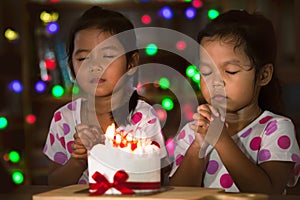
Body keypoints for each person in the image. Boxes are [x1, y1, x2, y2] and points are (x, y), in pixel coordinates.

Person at [169, 10, 300, 194]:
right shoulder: (191, 133)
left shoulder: (275, 129)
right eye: (206, 72)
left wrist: (221, 140)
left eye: (230, 71)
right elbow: (177, 194)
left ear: (263, 75)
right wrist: (197, 148)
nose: (216, 81)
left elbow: (269, 194)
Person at [43, 6, 168, 186]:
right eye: (83, 58)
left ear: (131, 63)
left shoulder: (143, 117)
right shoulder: (64, 119)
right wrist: (79, 160)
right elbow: (54, 184)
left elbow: (156, 177)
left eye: (108, 56)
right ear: (71, 66)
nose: (95, 66)